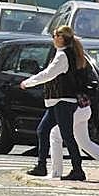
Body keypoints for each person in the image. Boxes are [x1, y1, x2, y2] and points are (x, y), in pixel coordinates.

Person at [46, 34, 99, 182]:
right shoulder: (80, 58)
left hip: (73, 106)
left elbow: (50, 74)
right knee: (84, 141)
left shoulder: (65, 58)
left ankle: (56, 172)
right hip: (84, 105)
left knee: (55, 134)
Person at [21, 24, 87, 181]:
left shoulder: (63, 56)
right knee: (43, 130)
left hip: (63, 100)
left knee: (67, 135)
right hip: (57, 101)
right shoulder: (63, 54)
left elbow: (48, 74)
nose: (53, 39)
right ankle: (41, 166)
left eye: (55, 36)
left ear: (61, 38)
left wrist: (28, 82)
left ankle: (78, 170)